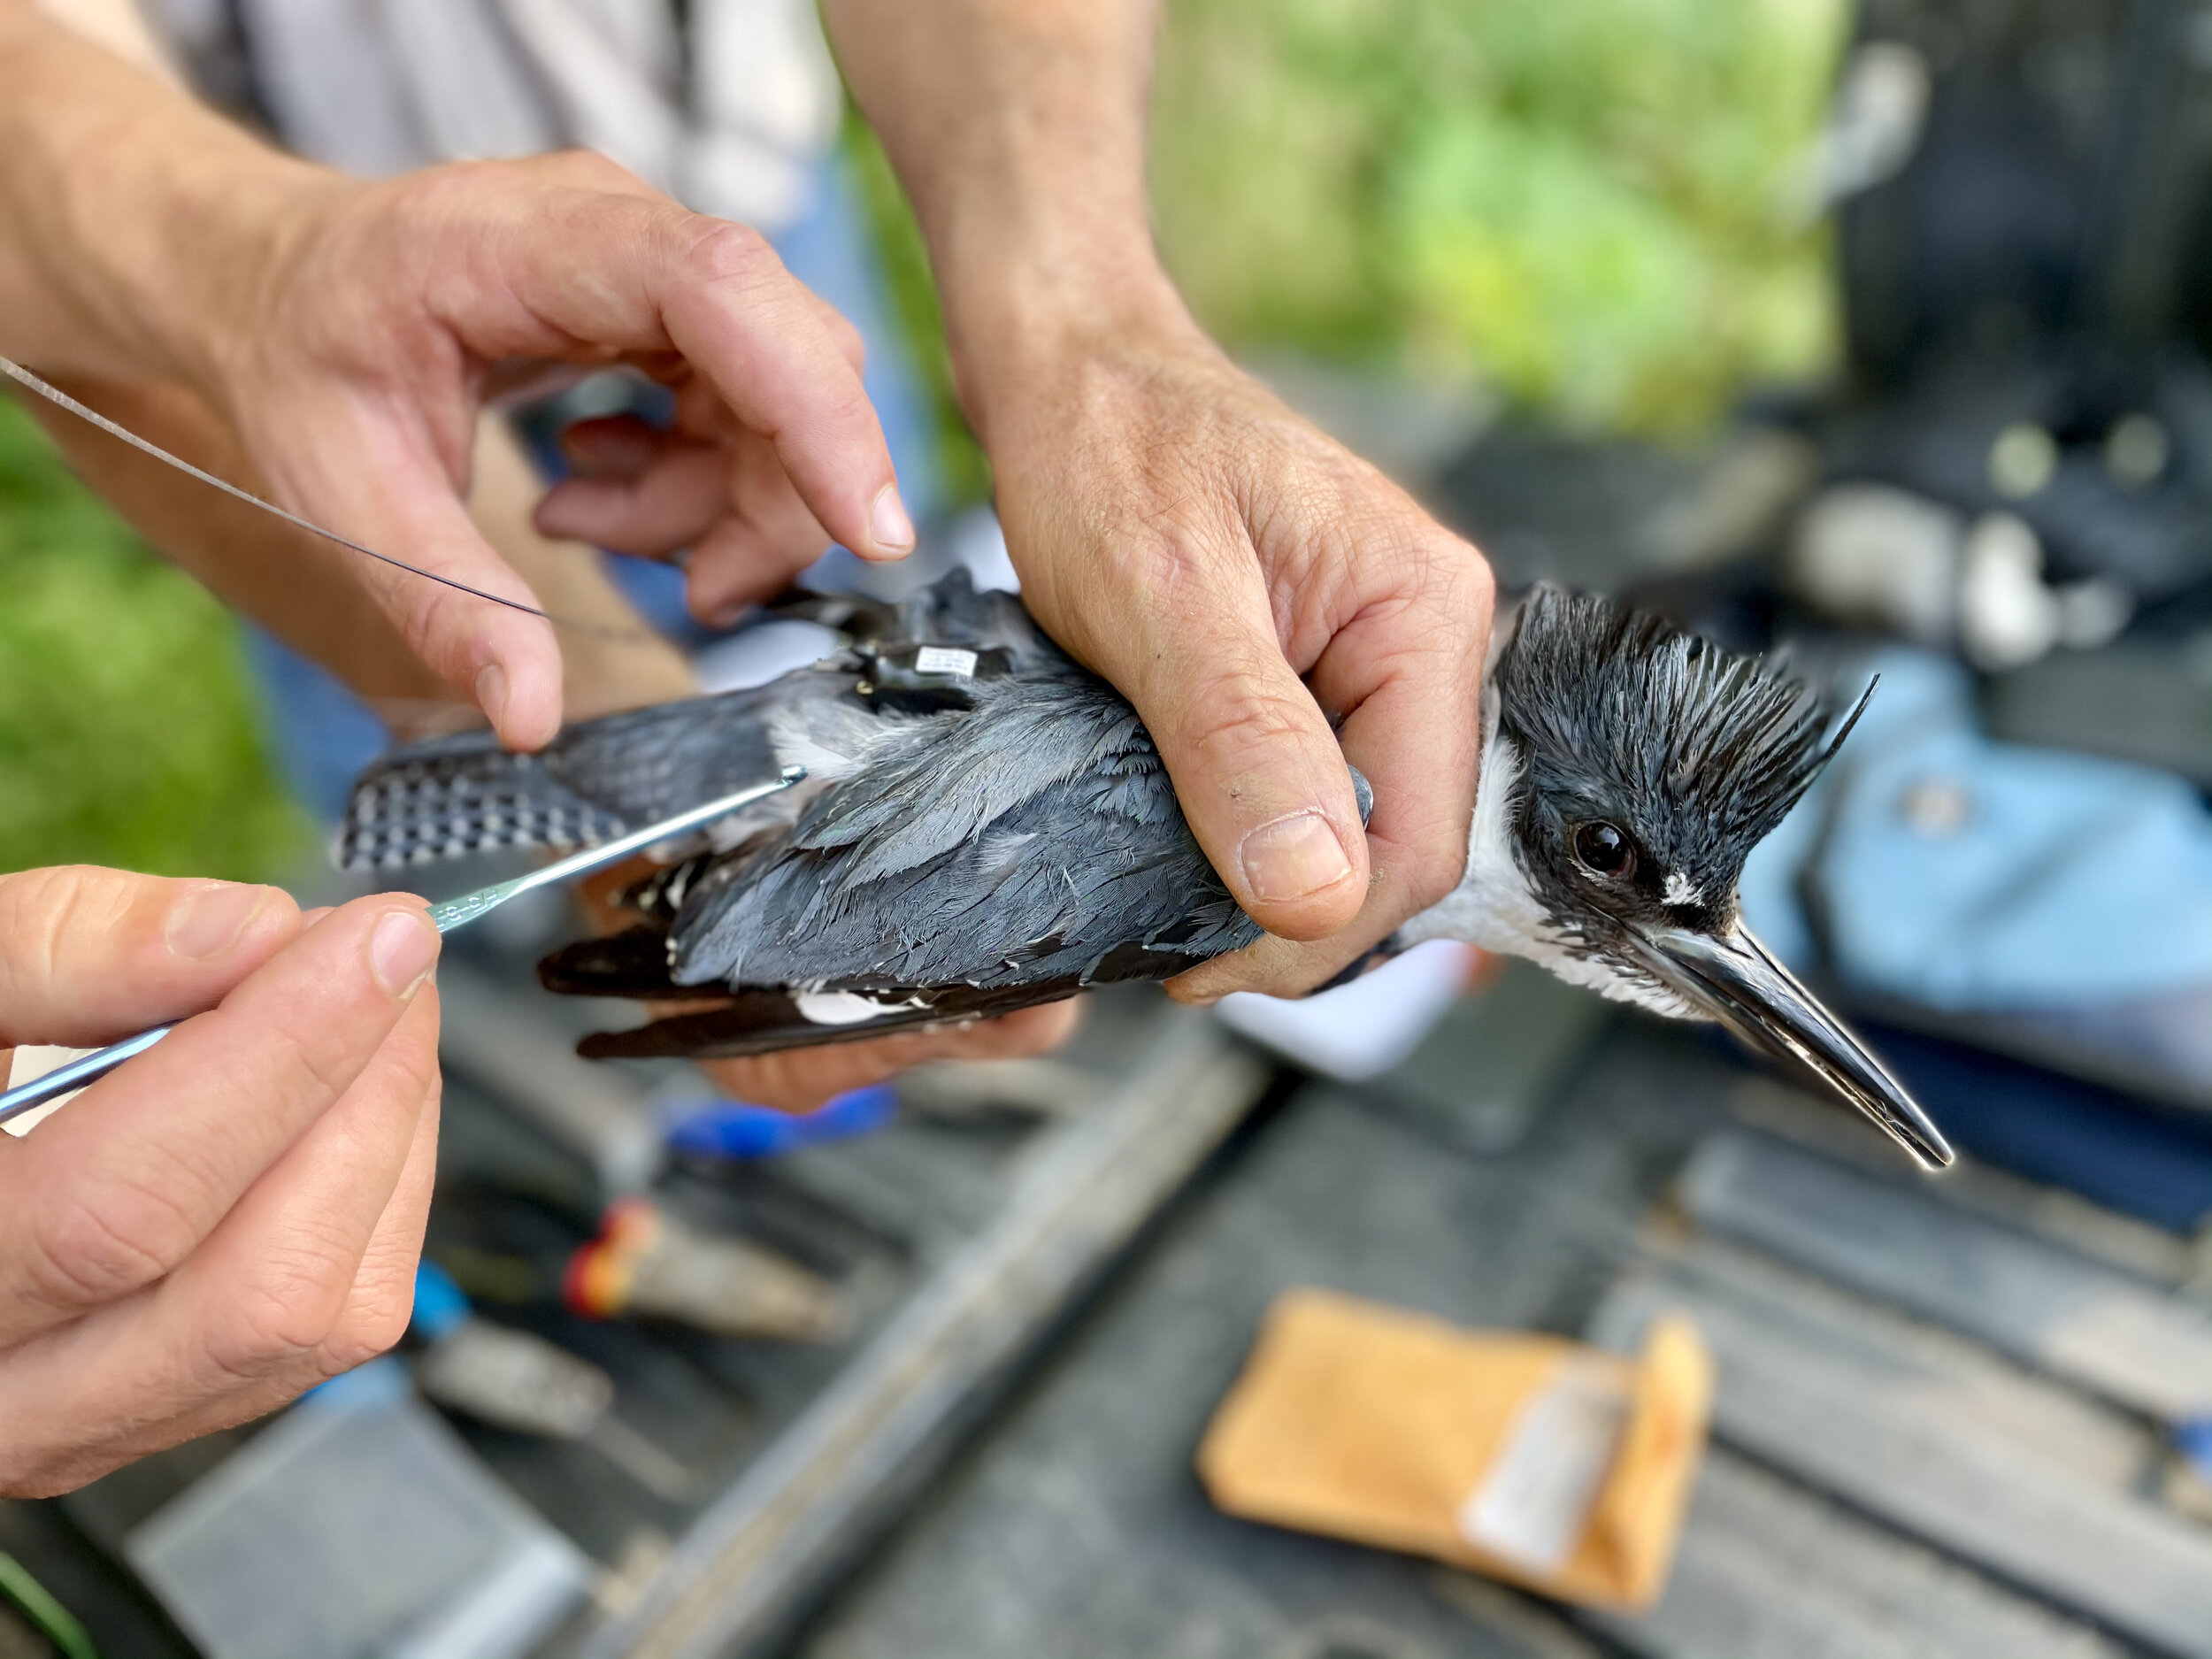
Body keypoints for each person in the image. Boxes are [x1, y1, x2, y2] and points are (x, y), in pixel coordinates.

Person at [0, 0, 1493, 1492]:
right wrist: (247, 265)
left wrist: (1080, 318)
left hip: (746, 252)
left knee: (760, 701)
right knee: (490, 815)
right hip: (199, 270)